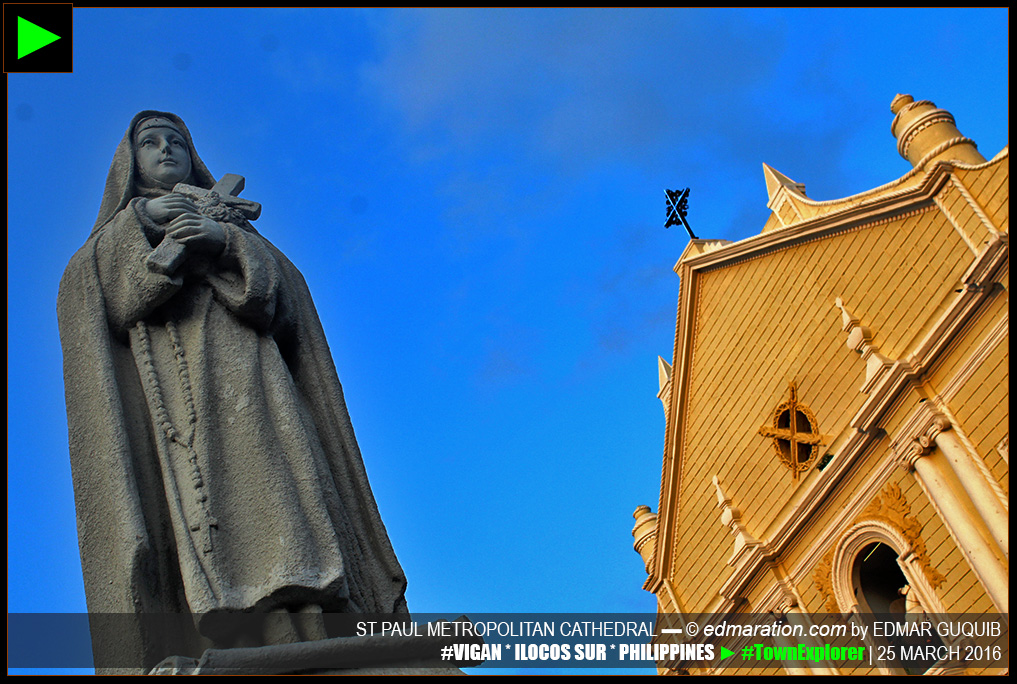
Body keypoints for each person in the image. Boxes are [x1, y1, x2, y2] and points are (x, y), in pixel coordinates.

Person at [58, 112, 407, 672]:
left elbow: (287, 298)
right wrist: (145, 220)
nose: (167, 149)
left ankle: (319, 626)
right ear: (129, 163)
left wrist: (224, 241)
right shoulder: (117, 234)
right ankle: (238, 645)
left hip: (258, 388)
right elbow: (100, 295)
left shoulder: (232, 222)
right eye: (151, 142)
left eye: (178, 141)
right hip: (177, 409)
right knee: (210, 515)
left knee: (283, 493)